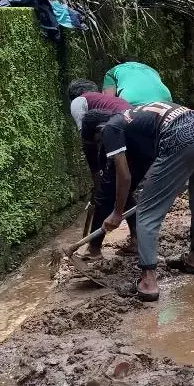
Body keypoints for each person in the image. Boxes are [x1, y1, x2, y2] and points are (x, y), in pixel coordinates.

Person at [82, 102, 194, 302]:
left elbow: (124, 176)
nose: (103, 146)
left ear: (99, 130)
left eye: (99, 141)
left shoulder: (110, 127)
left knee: (146, 211)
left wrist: (117, 213)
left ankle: (148, 280)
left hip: (178, 136)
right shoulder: (134, 116)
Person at [68, 79, 136, 259]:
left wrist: (96, 177)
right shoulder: (106, 99)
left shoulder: (78, 102)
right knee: (120, 186)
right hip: (133, 128)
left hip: (118, 128)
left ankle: (94, 248)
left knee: (105, 193)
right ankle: (137, 240)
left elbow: (88, 141)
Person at [102, 60, 173, 106]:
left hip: (134, 103)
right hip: (166, 100)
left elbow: (108, 100)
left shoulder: (112, 71)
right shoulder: (151, 70)